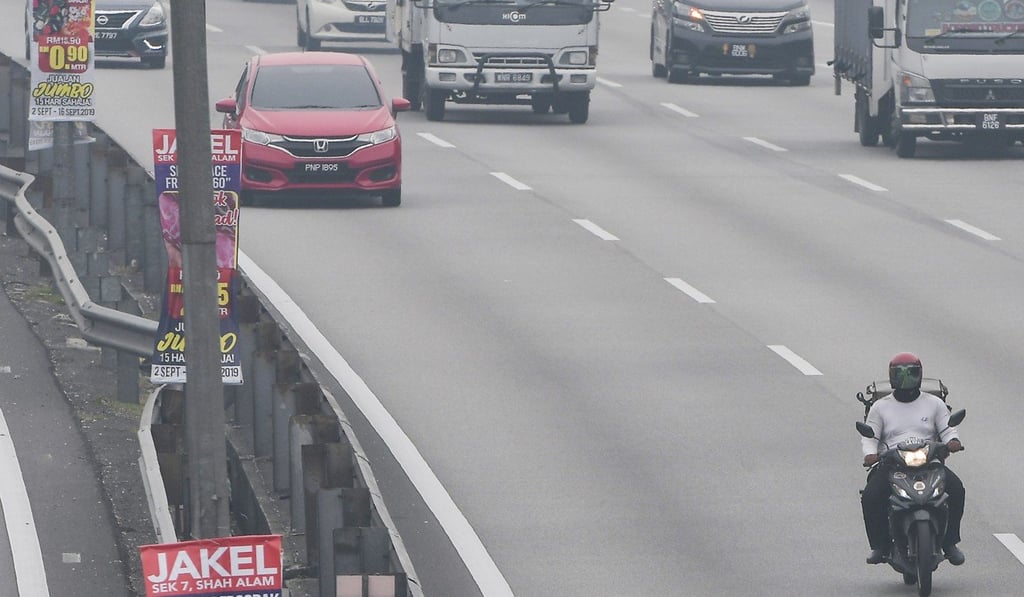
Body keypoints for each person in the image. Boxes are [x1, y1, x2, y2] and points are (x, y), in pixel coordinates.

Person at [860, 352, 966, 566]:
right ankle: (879, 546)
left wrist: (953, 442)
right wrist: (870, 455)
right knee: (871, 496)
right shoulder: (880, 407)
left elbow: (948, 430)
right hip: (892, 463)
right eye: (900, 374)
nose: (906, 379)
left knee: (957, 489)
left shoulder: (934, 403)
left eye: (911, 373)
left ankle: (950, 542)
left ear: (920, 375)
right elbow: (870, 436)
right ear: (892, 377)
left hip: (929, 460)